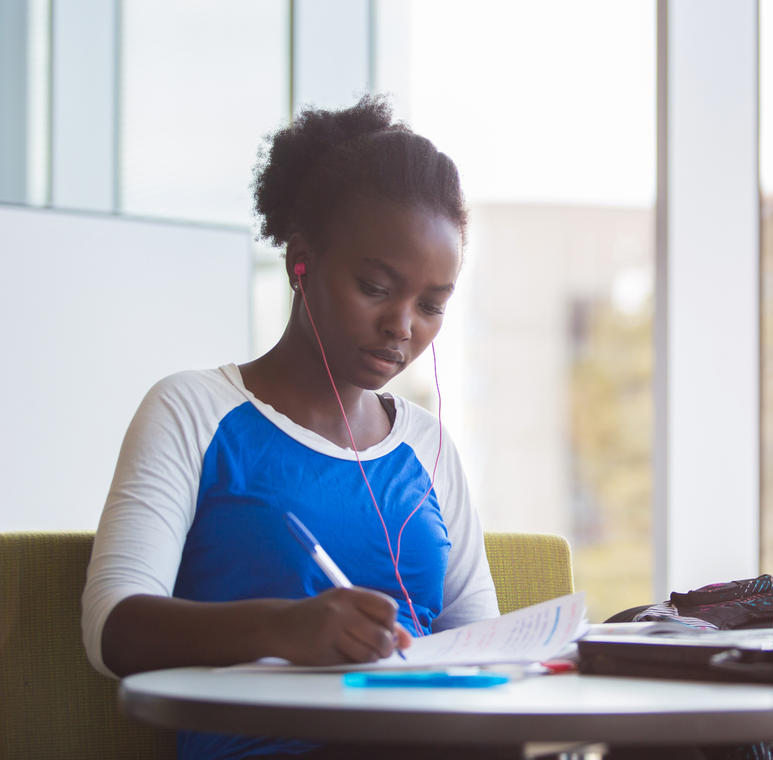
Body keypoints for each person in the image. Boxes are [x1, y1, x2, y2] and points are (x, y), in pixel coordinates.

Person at [81, 95, 502, 759]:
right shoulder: (192, 410)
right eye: (376, 286)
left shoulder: (426, 445)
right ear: (300, 262)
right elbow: (113, 631)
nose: (403, 325)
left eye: (431, 305)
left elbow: (483, 643)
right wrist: (283, 628)